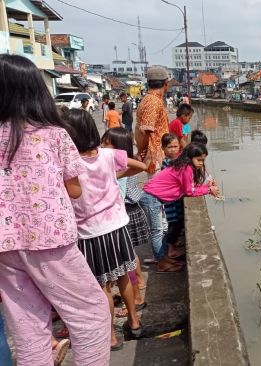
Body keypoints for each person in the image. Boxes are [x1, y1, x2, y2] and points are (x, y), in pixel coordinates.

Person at [0, 54, 110, 365]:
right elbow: (75, 189)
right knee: (91, 314)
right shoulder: (53, 135)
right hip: (49, 238)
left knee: (28, 327)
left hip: (5, 245)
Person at [64, 109, 147, 351]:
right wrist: (115, 174)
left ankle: (110, 334)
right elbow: (141, 165)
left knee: (102, 287)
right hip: (117, 226)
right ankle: (134, 322)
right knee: (124, 277)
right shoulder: (107, 156)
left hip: (90, 233)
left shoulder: (70, 163)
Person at [100, 128, 149, 317]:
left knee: (125, 261)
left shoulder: (118, 168)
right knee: (128, 257)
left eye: (106, 144)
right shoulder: (119, 166)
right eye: (102, 143)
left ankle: (136, 294)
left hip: (121, 216)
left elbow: (119, 195)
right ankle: (137, 285)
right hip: (124, 213)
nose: (102, 147)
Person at [135, 66, 172, 270]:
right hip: (154, 161)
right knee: (158, 216)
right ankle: (162, 259)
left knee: (162, 215)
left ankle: (164, 255)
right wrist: (145, 155)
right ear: (165, 84)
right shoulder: (152, 101)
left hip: (155, 159)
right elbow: (143, 131)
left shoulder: (149, 100)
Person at [143, 143, 220, 206]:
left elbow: (189, 186)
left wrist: (207, 187)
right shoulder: (186, 168)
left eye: (203, 160)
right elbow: (189, 191)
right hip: (152, 198)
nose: (201, 163)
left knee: (162, 225)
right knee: (158, 225)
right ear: (190, 157)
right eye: (199, 160)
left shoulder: (183, 165)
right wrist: (209, 189)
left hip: (153, 197)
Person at [160, 134, 186, 269]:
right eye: (169, 147)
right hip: (171, 201)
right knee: (174, 223)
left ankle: (173, 246)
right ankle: (170, 249)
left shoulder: (178, 161)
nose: (173, 150)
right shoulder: (166, 163)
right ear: (163, 148)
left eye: (175, 146)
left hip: (177, 199)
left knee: (179, 222)